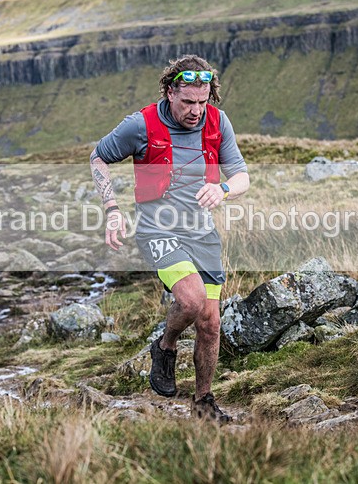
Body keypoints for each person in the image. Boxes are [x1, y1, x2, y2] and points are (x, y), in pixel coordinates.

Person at [90, 54, 250, 422]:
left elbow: (242, 175)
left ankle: (203, 401)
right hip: (157, 228)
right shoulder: (141, 125)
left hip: (202, 233)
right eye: (188, 102)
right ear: (168, 91)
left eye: (203, 101)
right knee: (191, 301)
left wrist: (223, 189)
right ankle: (165, 346)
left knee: (210, 323)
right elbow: (98, 157)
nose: (196, 111)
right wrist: (112, 210)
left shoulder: (217, 121)